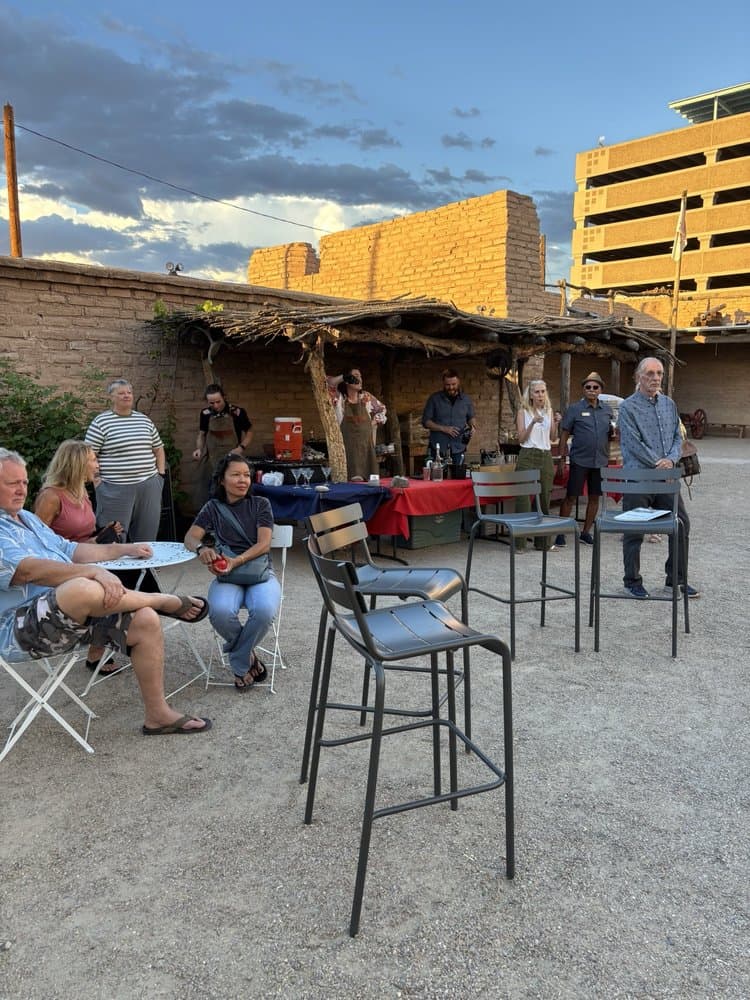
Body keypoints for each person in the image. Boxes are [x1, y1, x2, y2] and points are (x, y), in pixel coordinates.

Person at [0, 448, 211, 737]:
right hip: (20, 630)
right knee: (82, 586)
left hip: (66, 619)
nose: (22, 489)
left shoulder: (26, 518)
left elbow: (70, 549)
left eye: (24, 482)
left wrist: (123, 549)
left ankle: (158, 715)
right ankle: (162, 601)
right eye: (12, 483)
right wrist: (93, 572)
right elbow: (26, 570)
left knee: (145, 620)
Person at [184, 454, 281, 692]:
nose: (243, 480)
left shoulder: (260, 504)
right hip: (228, 574)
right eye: (236, 475)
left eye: (246, 475)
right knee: (219, 611)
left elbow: (264, 544)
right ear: (222, 480)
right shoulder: (213, 507)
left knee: (264, 611)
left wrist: (236, 561)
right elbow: (190, 537)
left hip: (259, 572)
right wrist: (202, 548)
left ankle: (239, 661)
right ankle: (250, 656)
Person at [34, 439, 124, 675]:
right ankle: (96, 651)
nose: (98, 464)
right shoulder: (51, 497)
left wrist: (103, 535)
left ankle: (113, 638)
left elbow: (84, 535)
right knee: (109, 590)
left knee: (130, 576)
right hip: (64, 566)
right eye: (93, 460)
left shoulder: (82, 492)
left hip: (89, 557)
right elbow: (37, 541)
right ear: (76, 464)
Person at [617, 357, 698, 600]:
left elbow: (677, 436)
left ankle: (676, 581)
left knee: (681, 523)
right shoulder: (628, 407)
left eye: (659, 373)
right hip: (639, 478)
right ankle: (632, 581)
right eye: (650, 373)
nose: (655, 378)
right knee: (634, 531)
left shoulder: (669, 404)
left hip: (666, 478)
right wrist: (659, 463)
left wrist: (671, 460)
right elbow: (633, 442)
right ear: (638, 377)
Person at [84, 379, 165, 542]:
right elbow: (88, 454)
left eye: (129, 392)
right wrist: (97, 482)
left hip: (149, 485)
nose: (126, 396)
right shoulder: (101, 422)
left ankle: (143, 560)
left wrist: (161, 476)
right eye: (121, 393)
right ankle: (114, 561)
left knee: (147, 534)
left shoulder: (144, 420)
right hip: (114, 488)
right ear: (111, 397)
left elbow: (158, 448)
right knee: (113, 535)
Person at [555, 372, 613, 546]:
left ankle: (585, 533)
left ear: (600, 390)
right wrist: (561, 458)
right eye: (588, 387)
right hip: (579, 460)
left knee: (594, 497)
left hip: (600, 461)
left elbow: (610, 435)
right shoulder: (574, 409)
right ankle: (560, 533)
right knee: (571, 496)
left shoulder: (607, 410)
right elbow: (564, 434)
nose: (591, 390)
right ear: (583, 389)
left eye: (595, 387)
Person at [514, 379, 561, 552]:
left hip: (545, 454)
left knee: (544, 497)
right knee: (523, 498)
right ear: (531, 395)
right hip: (528, 453)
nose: (540, 395)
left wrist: (556, 423)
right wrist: (533, 422)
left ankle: (543, 542)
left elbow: (553, 437)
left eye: (543, 391)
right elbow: (521, 439)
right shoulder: (523, 412)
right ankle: (519, 543)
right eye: (537, 392)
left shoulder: (548, 410)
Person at [192, 384, 253, 508]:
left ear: (224, 397)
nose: (215, 405)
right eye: (211, 403)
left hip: (232, 460)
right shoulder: (205, 414)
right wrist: (199, 449)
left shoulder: (237, 412)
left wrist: (241, 448)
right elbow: (201, 434)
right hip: (212, 460)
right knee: (211, 493)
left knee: (232, 494)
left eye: (218, 402)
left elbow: (250, 432)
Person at [328, 368, 387, 480]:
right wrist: (343, 377)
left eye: (360, 376)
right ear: (347, 381)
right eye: (355, 376)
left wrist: (374, 422)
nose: (359, 379)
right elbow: (329, 383)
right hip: (349, 454)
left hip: (367, 452)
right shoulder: (340, 399)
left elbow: (382, 409)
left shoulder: (366, 397)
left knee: (370, 483)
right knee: (352, 484)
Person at [422, 369, 476, 468]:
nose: (451, 387)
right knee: (436, 476)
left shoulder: (466, 400)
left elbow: (471, 417)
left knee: (458, 476)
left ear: (458, 382)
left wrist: (473, 427)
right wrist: (443, 428)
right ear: (443, 383)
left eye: (453, 384)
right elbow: (425, 421)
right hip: (438, 448)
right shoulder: (434, 399)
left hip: (458, 447)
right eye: (447, 385)